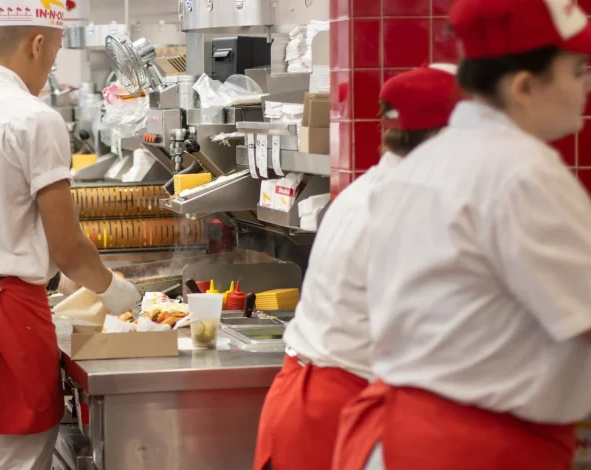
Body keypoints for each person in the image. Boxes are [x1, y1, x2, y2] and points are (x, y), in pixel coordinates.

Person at [333, 0, 591, 469]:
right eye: (578, 71)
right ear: (526, 86)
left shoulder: (422, 165)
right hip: (471, 447)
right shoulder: (521, 172)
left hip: (399, 437)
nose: (586, 88)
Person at [0, 0, 141, 467]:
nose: (51, 65)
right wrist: (118, 292)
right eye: (55, 52)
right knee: (17, 460)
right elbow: (68, 248)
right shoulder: (34, 118)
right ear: (38, 44)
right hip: (8, 318)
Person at [253, 64, 463, 470]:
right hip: (333, 410)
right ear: (445, 136)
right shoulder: (412, 207)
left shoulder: (368, 189)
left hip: (306, 396)